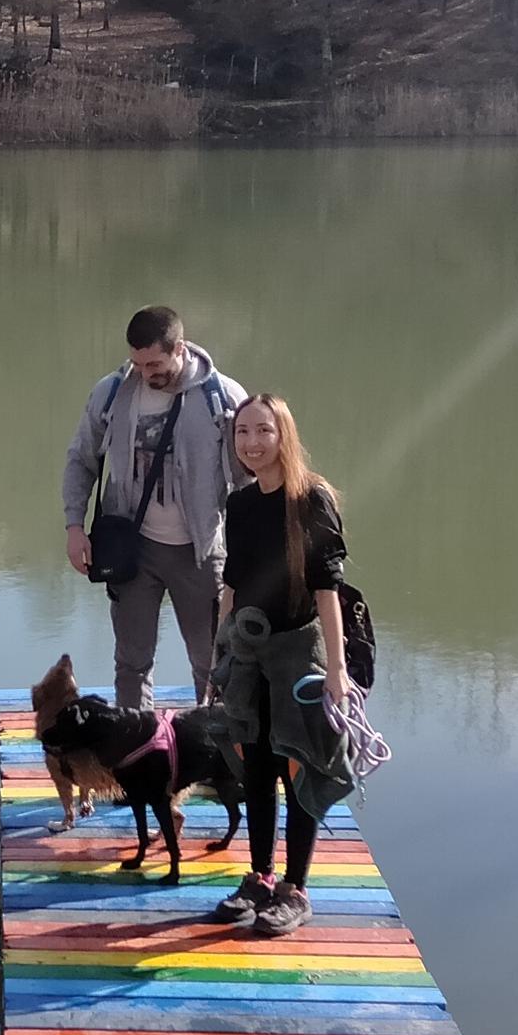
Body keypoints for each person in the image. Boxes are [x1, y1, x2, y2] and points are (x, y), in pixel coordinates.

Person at [214, 393, 357, 939]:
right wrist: (219, 654)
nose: (252, 443)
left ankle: (295, 889)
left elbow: (328, 591)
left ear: (284, 436)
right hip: (249, 652)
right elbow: (232, 584)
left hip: (300, 652)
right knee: (255, 767)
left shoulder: (311, 500)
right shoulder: (241, 504)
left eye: (263, 432)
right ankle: (259, 876)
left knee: (299, 765)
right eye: (243, 432)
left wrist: (338, 670)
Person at [62, 306, 247, 708]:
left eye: (155, 363)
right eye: (138, 363)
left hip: (199, 552)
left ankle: (219, 753)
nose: (147, 372)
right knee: (131, 662)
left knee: (213, 662)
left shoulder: (224, 399)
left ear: (179, 347)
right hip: (132, 548)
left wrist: (253, 554)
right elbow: (81, 460)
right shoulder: (112, 394)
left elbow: (248, 481)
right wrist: (74, 526)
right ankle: (137, 750)